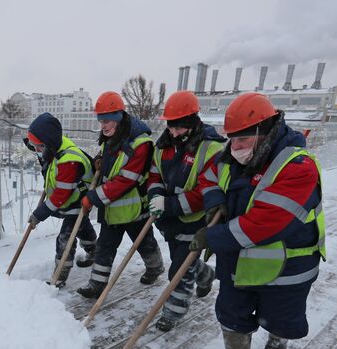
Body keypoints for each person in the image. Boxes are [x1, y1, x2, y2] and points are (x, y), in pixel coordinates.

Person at [189, 93, 326, 349]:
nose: (234, 147)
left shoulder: (297, 167)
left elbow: (262, 225)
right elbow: (209, 177)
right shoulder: (234, 154)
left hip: (285, 264)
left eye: (242, 140)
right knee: (231, 313)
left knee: (281, 317)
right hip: (237, 262)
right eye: (231, 139)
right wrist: (215, 202)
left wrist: (212, 236)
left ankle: (278, 337)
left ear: (264, 132)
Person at [146, 91, 226, 332]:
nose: (173, 132)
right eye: (171, 126)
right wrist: (156, 196)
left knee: (178, 270)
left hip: (196, 222)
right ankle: (205, 274)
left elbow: (205, 193)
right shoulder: (163, 146)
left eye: (179, 127)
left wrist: (167, 205)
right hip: (170, 221)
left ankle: (174, 311)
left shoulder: (212, 149)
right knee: (183, 262)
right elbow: (154, 175)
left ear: (192, 121)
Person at [78, 91, 164, 299]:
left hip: (134, 208)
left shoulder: (140, 143)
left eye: (106, 121)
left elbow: (127, 179)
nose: (103, 126)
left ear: (118, 117)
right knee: (105, 245)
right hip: (112, 208)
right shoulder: (112, 138)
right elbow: (112, 163)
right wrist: (100, 160)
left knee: (144, 242)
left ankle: (155, 267)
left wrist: (94, 197)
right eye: (100, 121)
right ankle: (97, 284)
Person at [26, 113, 97, 288]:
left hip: (78, 201)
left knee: (65, 239)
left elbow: (60, 196)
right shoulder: (54, 146)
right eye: (33, 146)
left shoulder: (69, 161)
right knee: (82, 229)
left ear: (48, 143)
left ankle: (59, 276)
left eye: (38, 147)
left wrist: (39, 214)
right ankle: (95, 251)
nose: (36, 151)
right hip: (69, 199)